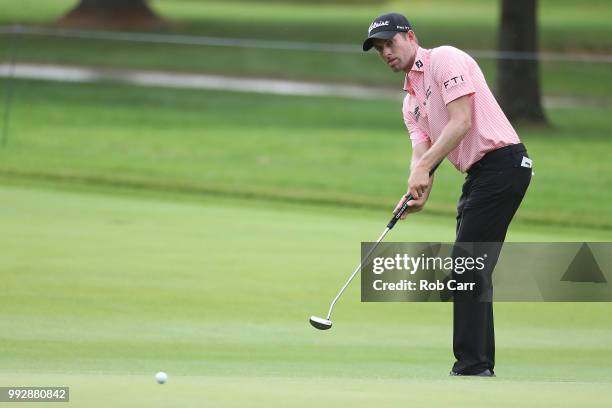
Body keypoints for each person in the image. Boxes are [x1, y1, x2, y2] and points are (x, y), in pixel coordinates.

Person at [362, 12, 532, 376]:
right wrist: (417, 187)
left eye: (390, 42)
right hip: (481, 175)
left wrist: (425, 170)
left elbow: (461, 122)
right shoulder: (410, 102)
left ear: (410, 36)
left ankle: (473, 365)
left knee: (466, 266)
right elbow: (421, 153)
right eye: (379, 49)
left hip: (503, 165)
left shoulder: (445, 59)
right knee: (470, 267)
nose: (386, 53)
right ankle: (477, 363)